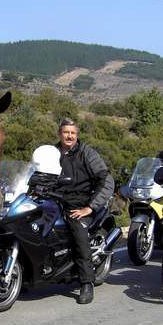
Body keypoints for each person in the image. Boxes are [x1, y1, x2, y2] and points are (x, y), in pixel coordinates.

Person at [54, 117, 114, 304]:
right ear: (60, 134)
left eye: (73, 133)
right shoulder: (52, 153)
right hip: (55, 202)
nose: (69, 136)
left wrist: (89, 207)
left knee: (79, 237)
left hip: (79, 205)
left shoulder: (86, 153)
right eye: (66, 132)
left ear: (77, 135)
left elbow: (106, 180)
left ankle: (86, 283)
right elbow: (35, 173)